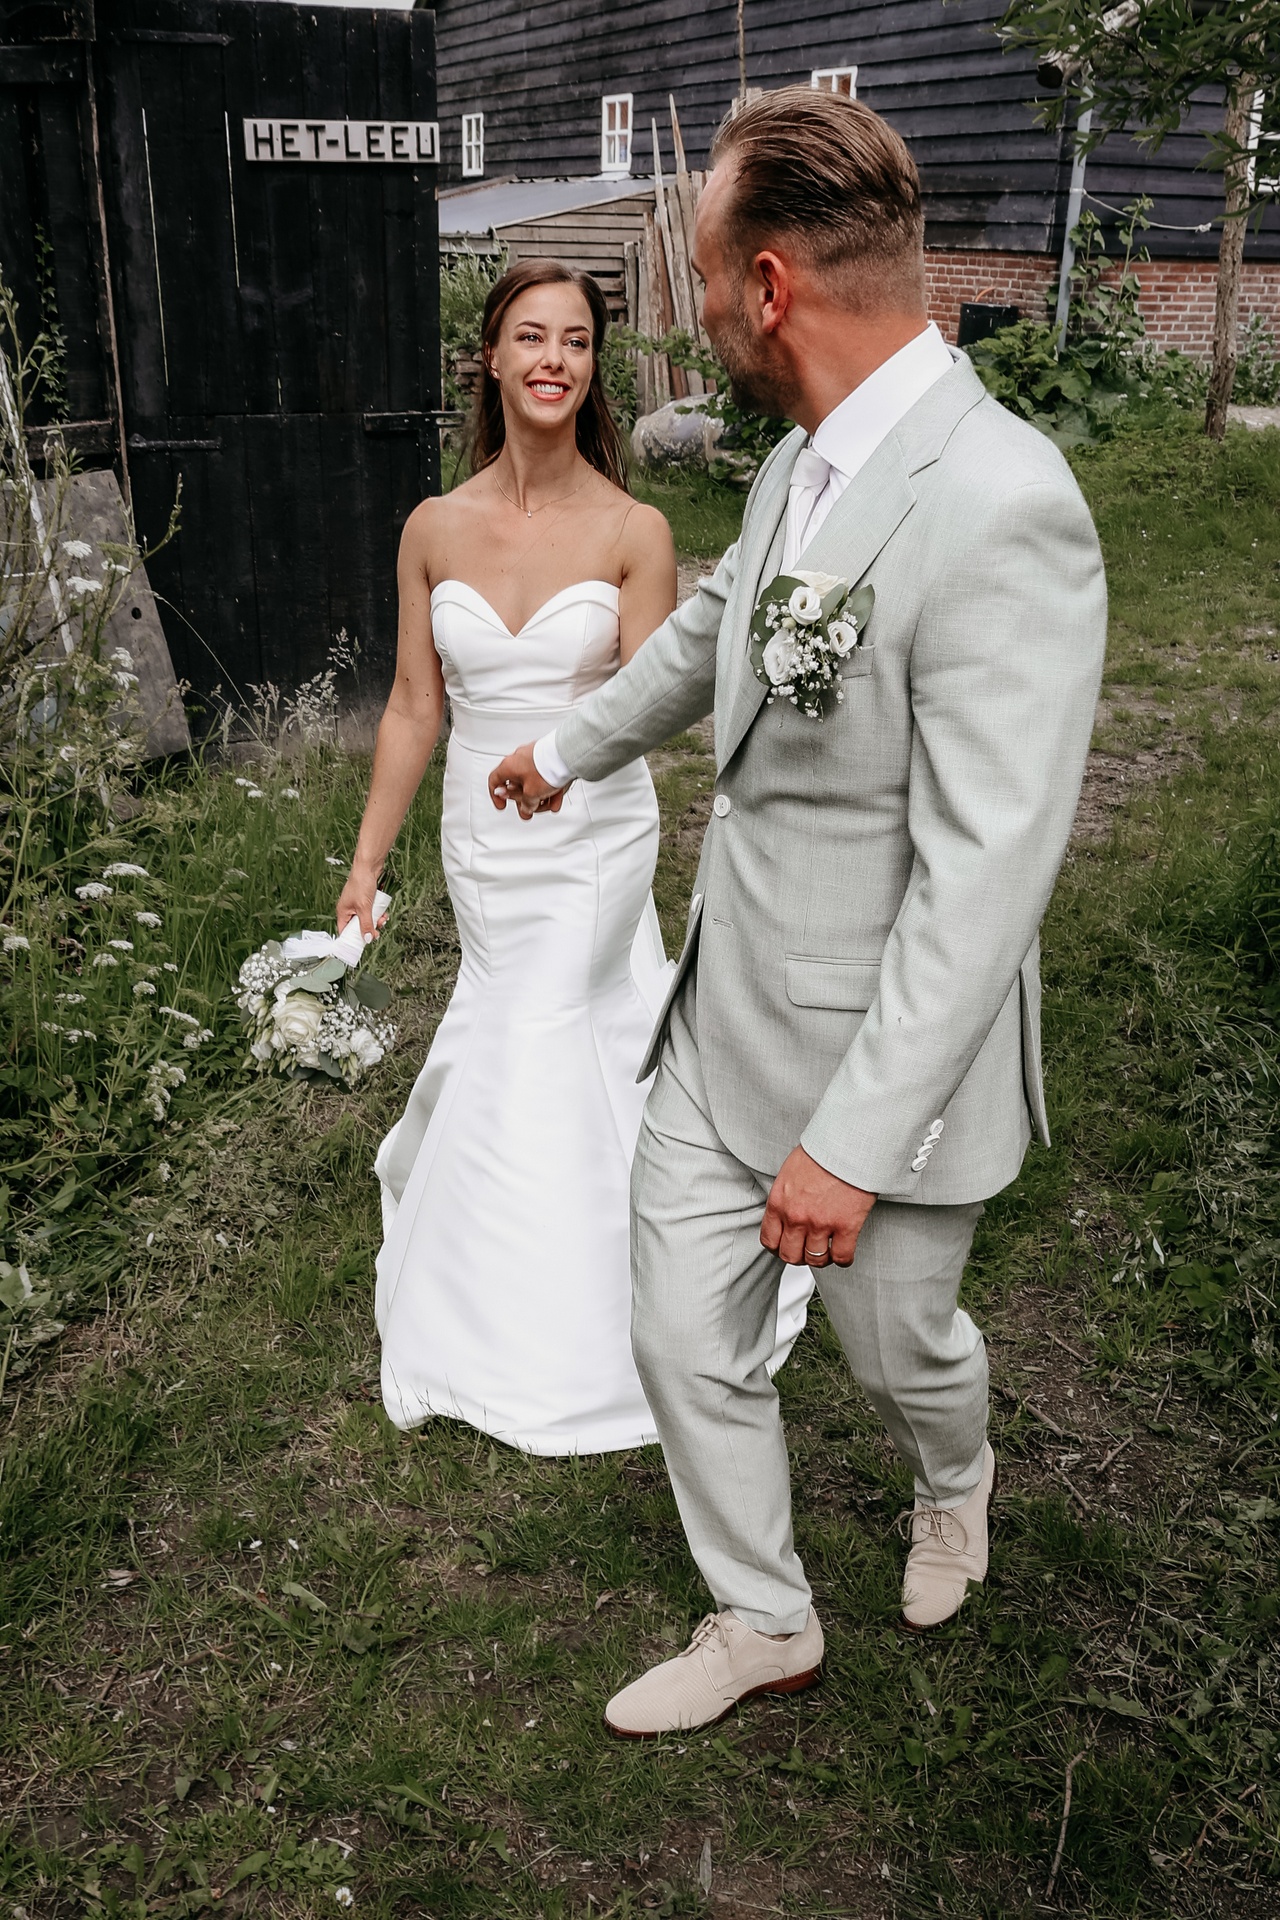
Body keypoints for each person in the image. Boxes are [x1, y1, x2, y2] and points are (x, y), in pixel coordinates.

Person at [490, 90, 1107, 1734]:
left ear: (768, 287)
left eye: (700, 277)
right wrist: (565, 744)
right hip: (726, 1007)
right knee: (677, 1331)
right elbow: (713, 638)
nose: (692, 311)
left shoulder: (1004, 504)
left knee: (900, 1357)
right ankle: (763, 1614)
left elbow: (989, 871)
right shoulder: (808, 459)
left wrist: (851, 1141)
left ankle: (954, 1473)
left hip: (879, 1072)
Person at [337, 258, 812, 1456]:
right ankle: (486, 1297)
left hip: (591, 836)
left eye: (578, 342)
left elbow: (649, 706)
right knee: (509, 1022)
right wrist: (365, 866)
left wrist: (569, 758)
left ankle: (599, 1324)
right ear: (488, 359)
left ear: (592, 368)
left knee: (553, 1023)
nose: (555, 359)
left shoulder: (634, 529)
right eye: (531, 337)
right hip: (478, 842)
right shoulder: (431, 526)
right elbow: (409, 705)